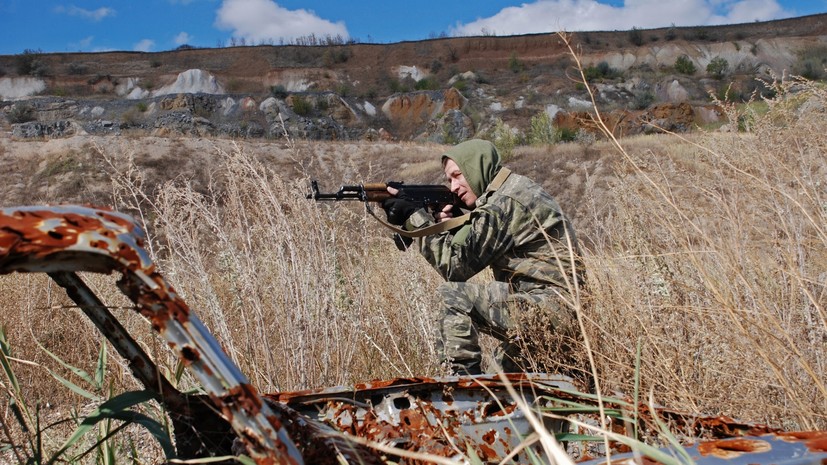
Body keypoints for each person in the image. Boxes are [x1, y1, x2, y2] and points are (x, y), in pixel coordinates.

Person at [382, 139, 585, 375]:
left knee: (453, 298)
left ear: (476, 167)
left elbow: (454, 267)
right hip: (558, 312)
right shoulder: (513, 191)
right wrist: (454, 225)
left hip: (550, 310)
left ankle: (460, 385)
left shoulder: (505, 203)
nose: (454, 186)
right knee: (502, 381)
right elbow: (477, 246)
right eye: (449, 180)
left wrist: (414, 217)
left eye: (458, 175)